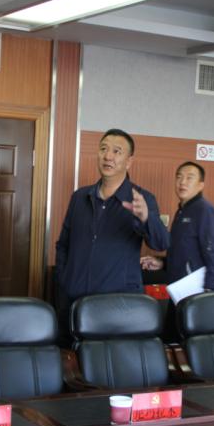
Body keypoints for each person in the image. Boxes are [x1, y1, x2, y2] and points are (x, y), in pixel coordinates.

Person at [55, 128, 169, 339]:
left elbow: (161, 243)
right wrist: (65, 280)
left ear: (129, 161)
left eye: (117, 151)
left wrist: (146, 218)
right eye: (103, 149)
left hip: (118, 305)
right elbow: (63, 244)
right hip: (75, 301)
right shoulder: (80, 197)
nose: (108, 156)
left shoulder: (141, 199)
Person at [141, 161, 214, 340]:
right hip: (178, 293)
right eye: (179, 177)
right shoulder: (182, 211)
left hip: (196, 297)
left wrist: (208, 295)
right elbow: (185, 252)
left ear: (201, 185)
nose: (182, 182)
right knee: (171, 343)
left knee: (189, 346)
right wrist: (162, 263)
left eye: (189, 178)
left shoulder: (205, 210)